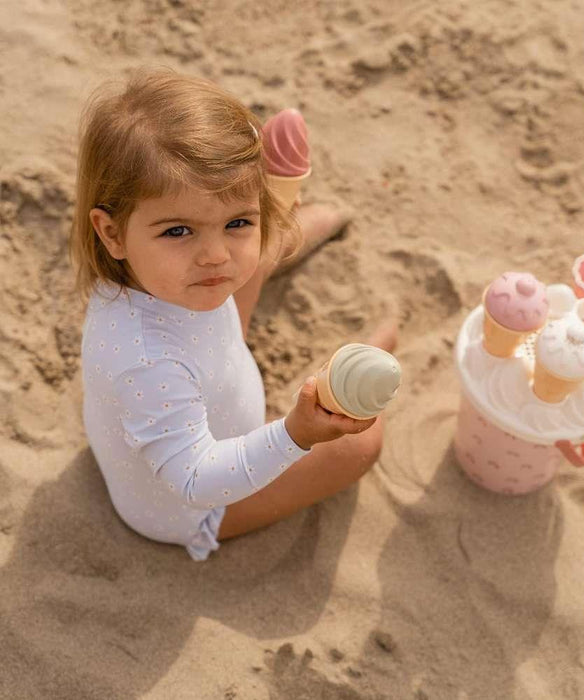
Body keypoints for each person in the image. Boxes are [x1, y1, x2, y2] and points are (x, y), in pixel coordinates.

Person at [70, 68, 398, 561]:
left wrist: (259, 210)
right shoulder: (147, 361)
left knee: (247, 262)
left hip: (211, 373)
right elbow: (196, 480)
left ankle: (282, 216)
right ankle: (359, 363)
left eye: (238, 220)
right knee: (360, 447)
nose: (214, 254)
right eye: (178, 231)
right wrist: (295, 434)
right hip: (193, 504)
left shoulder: (158, 274)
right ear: (112, 233)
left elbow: (215, 245)